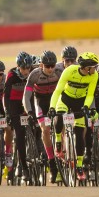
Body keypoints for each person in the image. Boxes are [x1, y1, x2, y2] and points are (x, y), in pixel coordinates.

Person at [49, 52, 99, 182]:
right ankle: (58, 141)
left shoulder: (94, 75)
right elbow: (58, 90)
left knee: (79, 131)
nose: (95, 69)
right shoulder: (69, 71)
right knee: (59, 117)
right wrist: (52, 107)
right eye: (93, 66)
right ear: (87, 67)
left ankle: (79, 166)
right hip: (65, 99)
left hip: (80, 102)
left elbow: (90, 95)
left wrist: (87, 107)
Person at [23, 50, 62, 183]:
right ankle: (52, 164)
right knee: (45, 130)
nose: (51, 69)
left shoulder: (59, 72)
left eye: (52, 66)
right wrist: (29, 112)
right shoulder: (35, 75)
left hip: (55, 101)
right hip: (40, 102)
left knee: (60, 125)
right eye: (47, 66)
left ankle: (62, 150)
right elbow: (26, 97)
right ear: (41, 66)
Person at [4, 52, 34, 182]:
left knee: (36, 129)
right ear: (18, 66)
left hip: (28, 102)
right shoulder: (11, 75)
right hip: (14, 104)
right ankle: (24, 167)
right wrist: (8, 114)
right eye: (23, 68)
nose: (26, 71)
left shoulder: (33, 73)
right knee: (20, 135)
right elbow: (5, 97)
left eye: (28, 68)